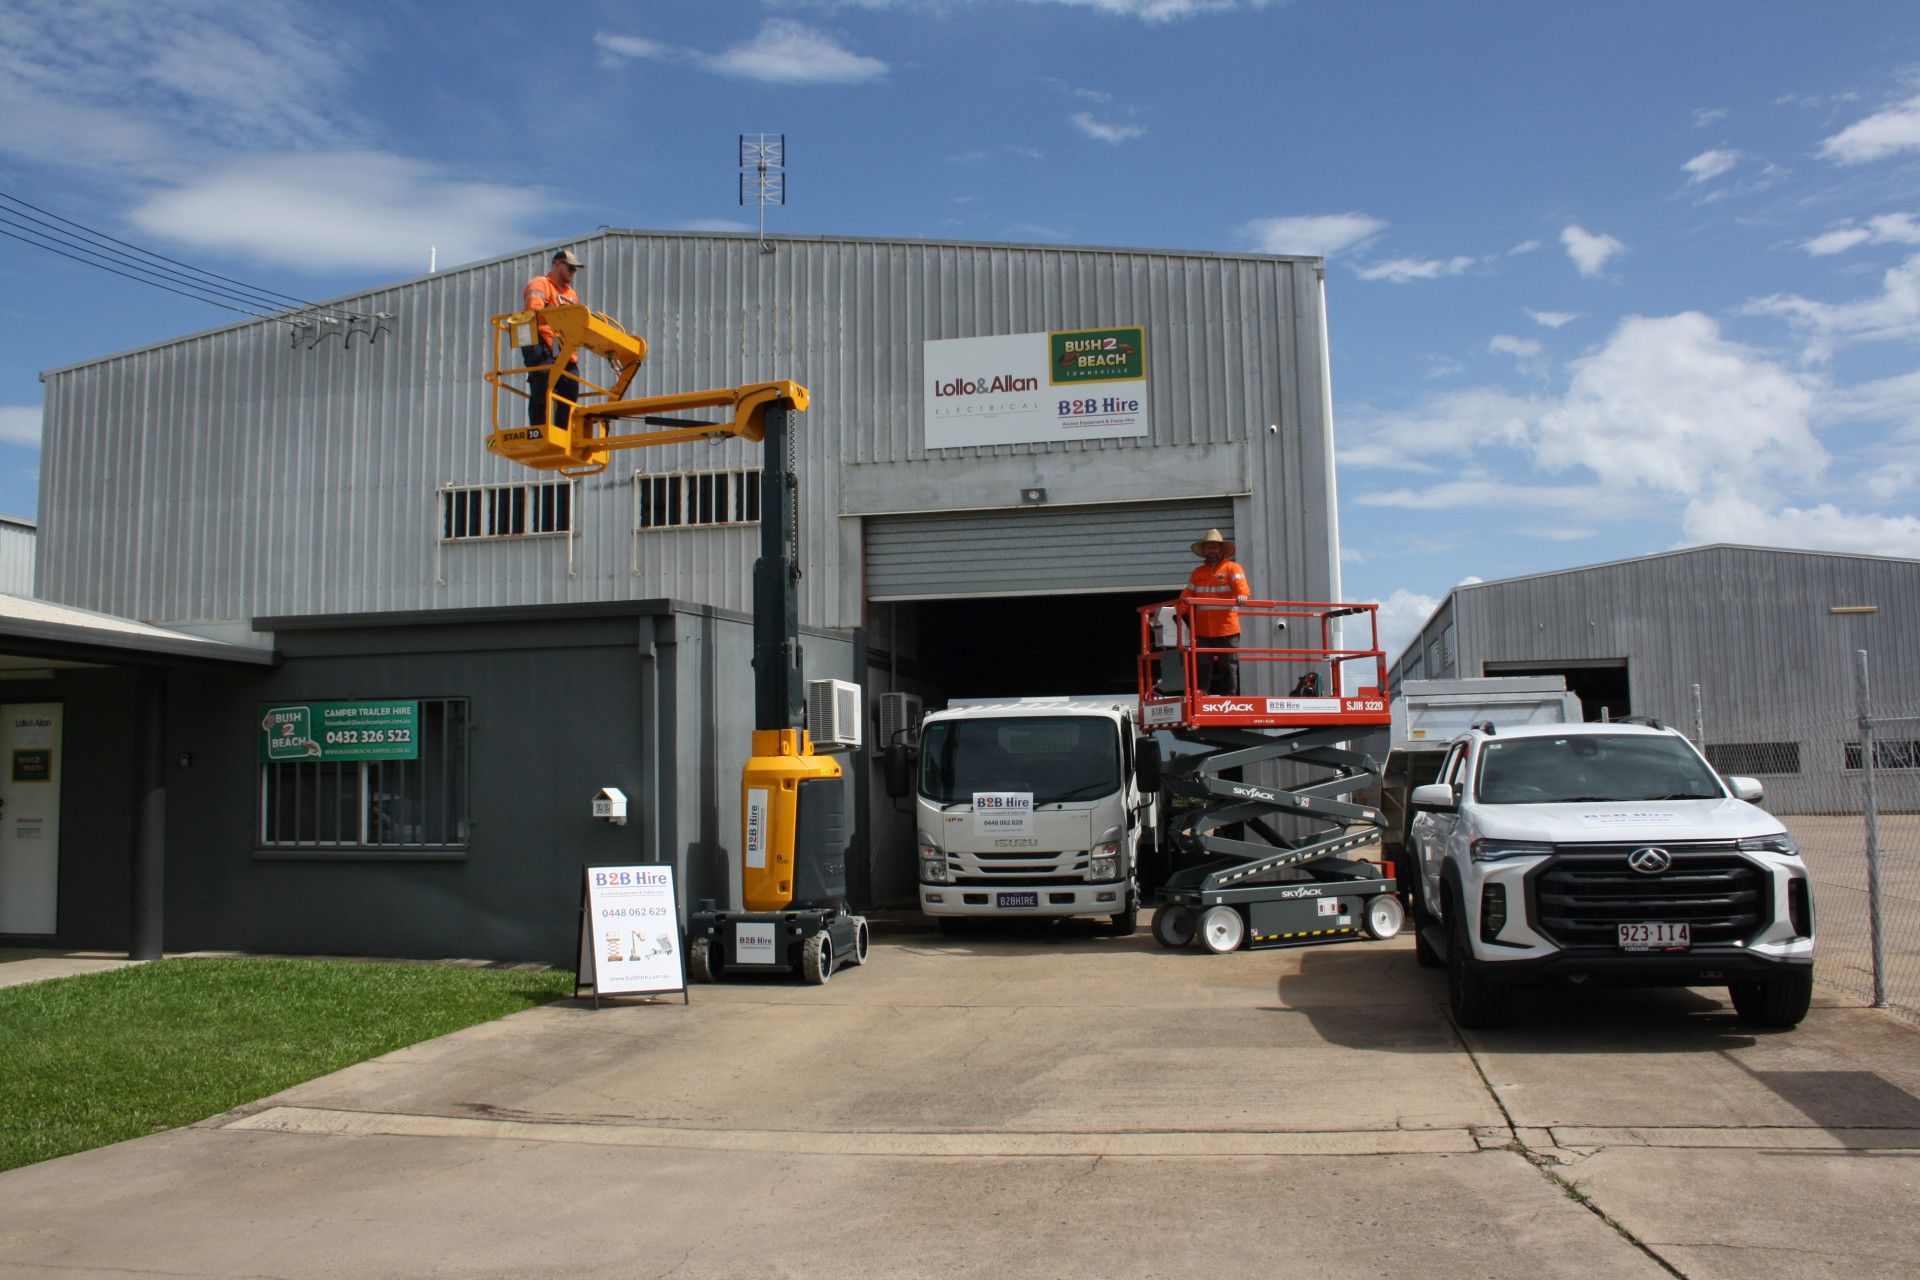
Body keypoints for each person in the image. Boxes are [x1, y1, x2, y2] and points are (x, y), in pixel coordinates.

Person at [1180, 528, 1250, 694]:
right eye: (1208, 547)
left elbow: (1242, 588)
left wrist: (1242, 595)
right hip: (1202, 631)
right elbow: (1186, 597)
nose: (1211, 551)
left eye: (1214, 547)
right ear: (1204, 551)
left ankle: (1230, 700)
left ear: (1221, 549)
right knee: (1201, 665)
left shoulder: (1232, 568)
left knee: (1228, 666)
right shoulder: (1197, 573)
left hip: (1227, 629)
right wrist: (1174, 612)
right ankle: (1201, 698)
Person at [522, 249, 583, 428]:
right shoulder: (540, 284)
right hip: (540, 341)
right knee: (542, 383)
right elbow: (533, 312)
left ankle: (561, 432)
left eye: (575, 270)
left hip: (563, 346)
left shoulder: (571, 295)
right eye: (570, 268)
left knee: (571, 384)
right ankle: (539, 430)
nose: (573, 273)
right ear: (557, 265)